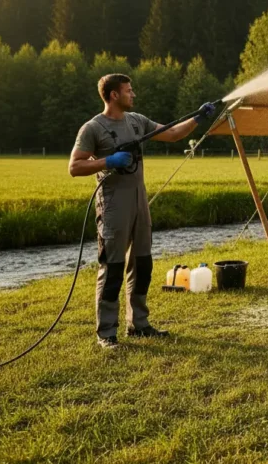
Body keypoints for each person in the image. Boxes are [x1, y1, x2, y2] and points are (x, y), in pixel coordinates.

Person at [69, 73, 217, 349]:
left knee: (142, 264)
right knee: (112, 268)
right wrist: (107, 160)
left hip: (140, 202)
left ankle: (138, 324)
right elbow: (74, 167)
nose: (133, 94)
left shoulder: (136, 121)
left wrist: (198, 117)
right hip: (113, 204)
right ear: (114, 95)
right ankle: (106, 333)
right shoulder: (93, 128)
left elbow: (172, 134)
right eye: (128, 90)